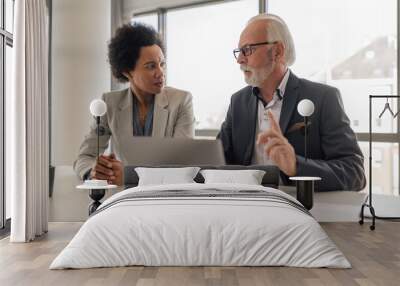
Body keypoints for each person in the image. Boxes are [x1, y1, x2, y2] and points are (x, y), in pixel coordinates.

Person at [218, 14, 366, 191]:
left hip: (302, 210)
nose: (240, 59)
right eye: (239, 52)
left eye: (248, 50)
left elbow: (354, 174)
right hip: (246, 208)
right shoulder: (238, 102)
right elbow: (217, 161)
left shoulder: (323, 98)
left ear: (277, 51)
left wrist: (295, 166)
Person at [74, 23, 195, 185]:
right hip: (123, 198)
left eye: (162, 64)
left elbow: (182, 165)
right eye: (151, 66)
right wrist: (94, 173)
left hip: (166, 196)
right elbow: (85, 157)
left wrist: (128, 176)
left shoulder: (181, 101)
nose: (161, 73)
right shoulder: (109, 104)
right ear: (127, 71)